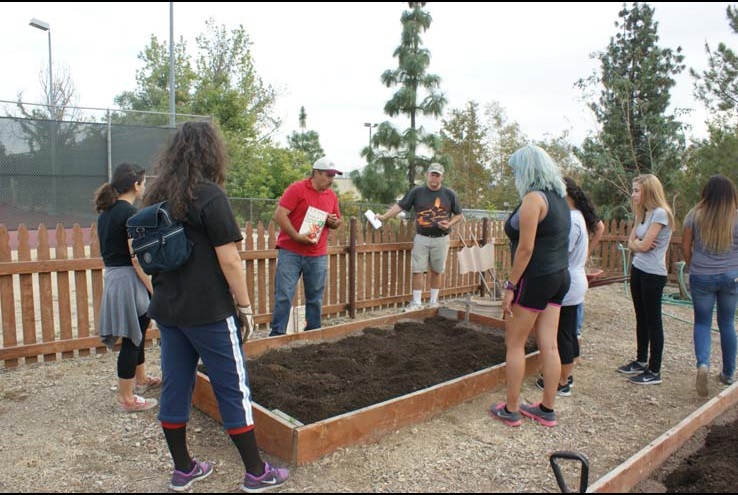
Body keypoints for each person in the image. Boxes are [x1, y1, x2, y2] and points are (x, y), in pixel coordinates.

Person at [144, 121, 289, 492]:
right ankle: (256, 473)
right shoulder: (208, 195)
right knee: (232, 388)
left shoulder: (155, 196)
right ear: (211, 154)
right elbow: (230, 261)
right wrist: (244, 305)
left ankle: (183, 469)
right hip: (209, 311)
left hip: (169, 310)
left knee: (176, 385)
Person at [488, 144, 570, 428]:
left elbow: (525, 248)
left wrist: (511, 285)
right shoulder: (560, 198)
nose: (513, 176)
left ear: (526, 171)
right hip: (559, 277)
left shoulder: (534, 200)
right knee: (549, 345)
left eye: (515, 171)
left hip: (534, 279)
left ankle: (511, 409)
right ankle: (547, 408)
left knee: (515, 344)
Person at [94, 162, 160, 413]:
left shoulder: (107, 213)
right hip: (128, 279)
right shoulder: (129, 214)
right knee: (133, 338)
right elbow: (135, 258)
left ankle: (140, 380)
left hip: (114, 277)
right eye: (144, 182)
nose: (145, 187)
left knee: (138, 332)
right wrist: (153, 287)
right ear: (136, 184)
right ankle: (127, 398)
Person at [536, 177, 602, 396]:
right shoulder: (578, 217)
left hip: (568, 281)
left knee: (561, 333)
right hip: (574, 279)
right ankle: (566, 375)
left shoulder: (571, 222)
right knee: (569, 330)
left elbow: (561, 253)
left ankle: (561, 381)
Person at [269, 156, 343, 337]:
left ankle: (313, 333)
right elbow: (280, 215)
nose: (332, 180)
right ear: (316, 173)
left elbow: (337, 222)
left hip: (317, 254)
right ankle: (277, 334)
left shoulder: (331, 196)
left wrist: (333, 222)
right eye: (328, 175)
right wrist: (295, 236)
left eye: (334, 176)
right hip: (291, 252)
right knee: (284, 295)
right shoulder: (297, 189)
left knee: (315, 297)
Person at [376, 163, 463, 311]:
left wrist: (448, 224)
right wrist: (384, 217)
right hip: (421, 237)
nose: (434, 178)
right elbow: (400, 206)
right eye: (432, 174)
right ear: (426, 175)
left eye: (437, 175)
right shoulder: (417, 192)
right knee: (418, 270)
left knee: (437, 271)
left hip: (441, 238)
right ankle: (416, 303)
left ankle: (433, 301)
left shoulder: (449, 194)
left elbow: (459, 215)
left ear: (442, 177)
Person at [681, 174, 738, 397]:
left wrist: (692, 265)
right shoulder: (735, 217)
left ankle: (703, 364)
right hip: (731, 277)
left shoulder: (694, 216)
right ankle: (728, 373)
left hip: (701, 275)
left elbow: (686, 246)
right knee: (726, 323)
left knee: (702, 322)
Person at [617, 174, 674, 385]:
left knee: (653, 321)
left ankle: (654, 369)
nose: (633, 195)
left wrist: (637, 244)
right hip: (638, 269)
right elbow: (633, 242)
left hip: (653, 274)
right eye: (633, 190)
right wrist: (637, 244)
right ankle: (641, 360)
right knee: (641, 317)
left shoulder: (660, 214)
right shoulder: (643, 213)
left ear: (649, 191)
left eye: (637, 191)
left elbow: (642, 244)